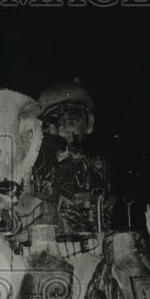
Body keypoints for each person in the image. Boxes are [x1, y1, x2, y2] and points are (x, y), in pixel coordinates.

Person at [27, 79, 115, 237]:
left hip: (93, 229)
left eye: (72, 120)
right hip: (54, 230)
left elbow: (102, 195)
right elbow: (47, 189)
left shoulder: (95, 159)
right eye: (56, 121)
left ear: (88, 124)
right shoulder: (42, 156)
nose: (63, 126)